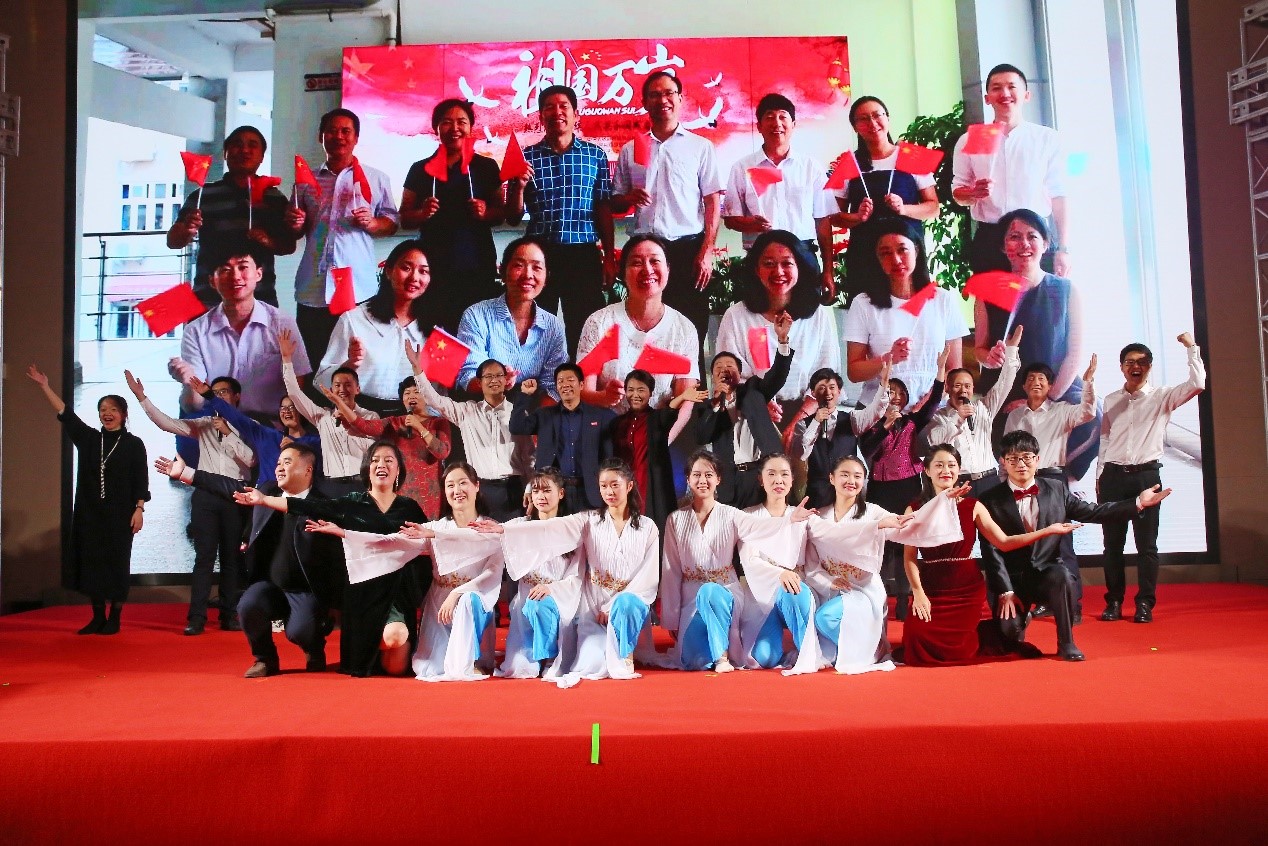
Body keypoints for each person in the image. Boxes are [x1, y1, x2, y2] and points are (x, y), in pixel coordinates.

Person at [234, 440, 429, 677]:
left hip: (396, 594)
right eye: (375, 460)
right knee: (381, 650)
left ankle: (375, 642)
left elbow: (429, 541)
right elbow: (309, 507)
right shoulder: (353, 502)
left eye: (389, 461)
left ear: (398, 470)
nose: (382, 465)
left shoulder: (410, 508)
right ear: (367, 468)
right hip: (362, 594)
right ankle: (364, 641)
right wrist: (264, 500)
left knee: (396, 668)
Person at [154, 444, 346, 677]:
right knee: (248, 606)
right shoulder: (267, 490)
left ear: (308, 470)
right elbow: (228, 487)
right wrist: (186, 474)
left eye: (287, 463)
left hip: (307, 590)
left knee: (300, 631)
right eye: (278, 463)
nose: (279, 468)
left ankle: (313, 648)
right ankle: (265, 659)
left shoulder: (323, 504)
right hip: (271, 585)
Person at [980, 431, 1171, 659]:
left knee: (1062, 575)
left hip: (1046, 572)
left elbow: (1094, 512)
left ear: (1037, 459)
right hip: (1011, 578)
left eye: (1027, 457)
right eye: (1013, 459)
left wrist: (1137, 503)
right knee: (1008, 634)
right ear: (1003, 462)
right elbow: (991, 550)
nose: (1021, 464)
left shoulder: (1056, 489)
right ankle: (1020, 620)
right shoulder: (989, 499)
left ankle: (1066, 643)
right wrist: (1006, 590)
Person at [478, 459, 659, 687]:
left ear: (629, 486)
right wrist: (505, 529)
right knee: (591, 665)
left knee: (626, 604)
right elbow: (551, 527)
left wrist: (613, 605)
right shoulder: (589, 520)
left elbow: (648, 576)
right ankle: (551, 655)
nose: (609, 491)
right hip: (593, 608)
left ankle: (625, 653)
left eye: (615, 485)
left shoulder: (648, 527)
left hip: (627, 604)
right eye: (604, 486)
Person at [657, 449, 835, 673]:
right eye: (697, 475)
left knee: (716, 593)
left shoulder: (732, 514)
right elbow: (671, 569)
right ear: (688, 479)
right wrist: (671, 617)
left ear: (718, 479)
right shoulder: (675, 519)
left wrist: (789, 520)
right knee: (695, 661)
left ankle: (727, 657)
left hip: (724, 589)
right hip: (691, 594)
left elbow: (759, 529)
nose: (703, 480)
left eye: (709, 475)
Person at [900, 443, 1077, 665]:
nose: (946, 470)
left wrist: (1047, 530)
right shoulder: (914, 509)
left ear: (959, 469)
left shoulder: (973, 506)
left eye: (952, 465)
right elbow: (909, 557)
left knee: (965, 648)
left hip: (966, 589)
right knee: (917, 639)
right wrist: (918, 592)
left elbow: (1004, 542)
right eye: (939, 465)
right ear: (927, 470)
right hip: (931, 587)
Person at [805, 456, 961, 674]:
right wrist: (828, 581)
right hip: (829, 589)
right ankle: (857, 648)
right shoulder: (818, 517)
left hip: (862, 590)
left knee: (825, 618)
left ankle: (864, 649)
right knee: (821, 641)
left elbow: (907, 524)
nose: (851, 481)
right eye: (844, 475)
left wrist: (940, 502)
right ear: (831, 478)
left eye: (857, 476)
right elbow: (812, 562)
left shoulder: (873, 512)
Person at [126, 370, 254, 634]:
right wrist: (142, 398)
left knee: (231, 559)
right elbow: (167, 423)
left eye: (223, 392)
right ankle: (196, 618)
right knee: (203, 558)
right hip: (206, 495)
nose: (218, 396)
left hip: (235, 495)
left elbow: (251, 461)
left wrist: (229, 433)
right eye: (214, 393)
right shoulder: (204, 424)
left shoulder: (250, 425)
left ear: (237, 396)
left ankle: (229, 615)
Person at [976, 209, 1099, 478]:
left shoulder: (1066, 290)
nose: (1024, 244)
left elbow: (1074, 354)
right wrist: (990, 358)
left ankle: (1064, 481)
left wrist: (1046, 399)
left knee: (1094, 415)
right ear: (1003, 246)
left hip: (1058, 385)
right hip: (1006, 388)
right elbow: (980, 350)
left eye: (1032, 236)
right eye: (1014, 237)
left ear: (1045, 244)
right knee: (1003, 431)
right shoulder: (987, 293)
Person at [28, 365, 149, 635]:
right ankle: (97, 617)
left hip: (121, 515)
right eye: (103, 409)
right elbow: (66, 414)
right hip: (90, 514)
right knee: (92, 564)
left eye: (113, 409)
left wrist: (139, 509)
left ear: (124, 414)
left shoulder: (134, 444)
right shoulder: (90, 439)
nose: (107, 413)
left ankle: (114, 617)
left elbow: (141, 481)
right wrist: (45, 386)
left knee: (117, 564)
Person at [1097, 332, 1206, 623]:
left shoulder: (1162, 397)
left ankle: (1144, 603)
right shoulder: (1111, 400)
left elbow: (1197, 383)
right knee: (1112, 545)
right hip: (1113, 476)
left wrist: (1191, 347)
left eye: (1142, 362)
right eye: (1130, 362)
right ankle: (1114, 602)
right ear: (1122, 367)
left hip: (1146, 477)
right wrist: (1100, 476)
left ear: (1149, 366)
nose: (1136, 366)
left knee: (1146, 546)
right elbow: (1105, 439)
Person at [612, 70, 724, 343]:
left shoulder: (700, 147)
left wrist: (707, 251)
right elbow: (616, 201)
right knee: (645, 330)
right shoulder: (630, 149)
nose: (662, 100)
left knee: (691, 330)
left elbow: (712, 201)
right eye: (654, 95)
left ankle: (692, 374)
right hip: (646, 252)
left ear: (680, 98)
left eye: (669, 93)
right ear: (645, 102)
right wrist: (629, 198)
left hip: (688, 250)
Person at [505, 85, 616, 355]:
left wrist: (609, 257)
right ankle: (536, 380)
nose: (557, 112)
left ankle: (584, 381)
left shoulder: (595, 156)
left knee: (586, 328)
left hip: (583, 255)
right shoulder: (526, 158)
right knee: (537, 328)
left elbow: (603, 208)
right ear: (541, 115)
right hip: (540, 257)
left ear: (576, 113)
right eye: (549, 107)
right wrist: (519, 187)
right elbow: (513, 217)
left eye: (564, 106)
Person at [286, 107, 400, 361]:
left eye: (345, 131)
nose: (338, 136)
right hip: (314, 286)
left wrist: (372, 223)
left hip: (357, 287)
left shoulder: (376, 178)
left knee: (356, 360)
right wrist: (295, 223)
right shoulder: (305, 181)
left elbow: (391, 223)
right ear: (321, 136)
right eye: (332, 131)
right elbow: (295, 231)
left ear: (356, 138)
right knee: (314, 358)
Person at [576, 235, 701, 440]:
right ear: (623, 272)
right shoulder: (599, 322)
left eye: (655, 261)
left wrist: (660, 443)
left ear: (668, 269)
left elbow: (685, 401)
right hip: (605, 433)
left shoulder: (684, 329)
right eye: (636, 263)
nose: (647, 269)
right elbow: (583, 392)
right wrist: (604, 398)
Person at [400, 98, 506, 335]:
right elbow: (404, 218)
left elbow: (502, 214)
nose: (454, 128)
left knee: (477, 331)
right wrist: (421, 213)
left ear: (471, 127)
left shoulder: (486, 167)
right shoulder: (420, 169)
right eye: (447, 122)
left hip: (477, 263)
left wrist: (486, 213)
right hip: (433, 265)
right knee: (437, 333)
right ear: (436, 128)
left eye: (462, 122)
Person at [952, 64, 1070, 275]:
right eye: (996, 88)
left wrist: (1064, 248)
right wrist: (973, 193)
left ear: (1026, 95)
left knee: (1038, 296)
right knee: (990, 297)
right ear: (987, 98)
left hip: (1035, 236)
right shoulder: (970, 139)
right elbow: (958, 193)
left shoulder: (1047, 139)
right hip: (990, 239)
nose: (1005, 93)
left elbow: (1059, 195)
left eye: (1011, 87)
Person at [169, 241, 310, 418]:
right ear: (212, 280)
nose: (235, 277)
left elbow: (297, 391)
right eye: (225, 270)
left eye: (243, 267)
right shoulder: (195, 331)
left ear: (258, 274)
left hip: (271, 425)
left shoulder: (282, 324)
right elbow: (194, 406)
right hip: (220, 423)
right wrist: (189, 381)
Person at [1004, 357, 1097, 617]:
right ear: (1024, 386)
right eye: (1031, 379)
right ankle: (1044, 599)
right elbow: (1008, 452)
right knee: (1034, 544)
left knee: (1062, 544)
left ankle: (1072, 604)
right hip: (1023, 482)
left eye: (1042, 379)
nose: (1036, 382)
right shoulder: (1015, 416)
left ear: (1050, 385)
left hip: (1053, 480)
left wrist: (1088, 382)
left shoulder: (1062, 410)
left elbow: (1088, 412)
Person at [714, 230, 842, 412]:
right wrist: (758, 404)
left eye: (787, 263)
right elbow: (729, 379)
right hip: (750, 411)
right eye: (769, 264)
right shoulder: (735, 316)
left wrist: (798, 420)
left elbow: (827, 377)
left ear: (799, 267)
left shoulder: (818, 316)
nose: (778, 271)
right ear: (756, 269)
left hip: (808, 412)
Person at [167, 125, 296, 307]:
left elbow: (288, 246)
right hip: (209, 299)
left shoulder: (274, 197)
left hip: (260, 300)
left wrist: (267, 241)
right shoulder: (203, 195)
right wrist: (187, 229)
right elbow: (173, 242)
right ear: (226, 153)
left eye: (252, 145)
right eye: (237, 145)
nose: (244, 150)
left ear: (261, 156)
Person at [859, 353, 948, 614]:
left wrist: (940, 369)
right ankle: (878, 597)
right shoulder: (871, 424)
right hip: (880, 489)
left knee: (906, 543)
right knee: (883, 543)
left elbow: (934, 401)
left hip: (908, 486)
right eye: (891, 392)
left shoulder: (912, 421)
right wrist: (885, 426)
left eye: (900, 393)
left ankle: (903, 597)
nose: (896, 397)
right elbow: (867, 450)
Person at [843, 219, 965, 409]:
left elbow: (954, 369)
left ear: (916, 250)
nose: (896, 259)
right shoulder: (863, 303)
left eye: (902, 250)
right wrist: (888, 359)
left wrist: (930, 401)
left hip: (933, 410)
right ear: (877, 259)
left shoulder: (943, 299)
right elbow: (854, 372)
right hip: (879, 410)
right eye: (886, 253)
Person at [722, 93, 836, 294]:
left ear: (793, 124)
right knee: (759, 312)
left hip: (802, 254)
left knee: (805, 312)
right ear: (759, 126)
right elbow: (731, 220)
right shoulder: (741, 167)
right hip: (760, 257)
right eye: (769, 117)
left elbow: (823, 221)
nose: (777, 123)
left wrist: (828, 269)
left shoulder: (811, 168)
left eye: (783, 117)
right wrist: (752, 224)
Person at [829, 95, 940, 299]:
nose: (872, 123)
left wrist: (904, 209)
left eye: (877, 115)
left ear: (887, 118)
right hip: (865, 255)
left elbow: (933, 207)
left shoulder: (911, 156)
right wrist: (857, 217)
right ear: (855, 127)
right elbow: (834, 216)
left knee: (911, 307)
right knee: (866, 309)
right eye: (863, 119)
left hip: (907, 254)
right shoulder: (849, 163)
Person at [407, 347, 533, 521]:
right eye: (488, 376)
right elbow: (435, 401)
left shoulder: (517, 414)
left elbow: (529, 456)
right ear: (479, 382)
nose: (494, 380)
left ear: (506, 380)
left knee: (512, 536)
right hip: (479, 489)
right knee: (479, 536)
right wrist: (417, 369)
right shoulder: (467, 412)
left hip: (513, 489)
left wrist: (531, 486)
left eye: (499, 375)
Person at [314, 239, 432, 413]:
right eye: (406, 268)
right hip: (359, 416)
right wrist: (350, 364)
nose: (414, 277)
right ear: (388, 271)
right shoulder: (354, 319)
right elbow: (320, 383)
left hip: (413, 420)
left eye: (423, 271)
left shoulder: (435, 329)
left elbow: (438, 394)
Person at [490, 469, 583, 679]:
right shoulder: (519, 526)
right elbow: (486, 535)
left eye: (547, 490)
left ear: (561, 493)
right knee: (520, 667)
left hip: (558, 599)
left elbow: (576, 576)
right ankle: (537, 653)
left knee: (539, 605)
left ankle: (550, 655)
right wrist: (434, 533)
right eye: (536, 491)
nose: (541, 496)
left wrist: (551, 589)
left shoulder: (572, 529)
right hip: (526, 599)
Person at [695, 313, 793, 507]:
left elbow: (777, 377)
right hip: (730, 483)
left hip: (762, 476)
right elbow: (702, 437)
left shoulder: (753, 391)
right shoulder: (708, 407)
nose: (724, 369)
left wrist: (782, 340)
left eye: (730, 366)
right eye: (718, 367)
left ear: (739, 374)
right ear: (713, 377)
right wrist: (716, 403)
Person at [454, 236, 568, 399]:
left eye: (537, 267)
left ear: (546, 277)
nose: (528, 275)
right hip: (481, 407)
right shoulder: (476, 315)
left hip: (532, 410)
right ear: (502, 271)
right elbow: (468, 377)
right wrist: (494, 381)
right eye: (518, 266)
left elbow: (552, 387)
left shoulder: (553, 326)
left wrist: (538, 415)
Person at [322, 376, 451, 519]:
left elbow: (442, 452)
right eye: (407, 393)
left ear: (427, 396)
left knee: (427, 530)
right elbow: (364, 426)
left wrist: (420, 427)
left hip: (430, 494)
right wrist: (340, 404)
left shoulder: (439, 423)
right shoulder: (394, 423)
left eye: (416, 392)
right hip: (400, 492)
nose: (411, 396)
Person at [922, 325, 1023, 497]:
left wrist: (1012, 350)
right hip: (961, 484)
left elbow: (1004, 384)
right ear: (948, 388)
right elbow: (936, 442)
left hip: (990, 479)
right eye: (957, 385)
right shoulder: (939, 417)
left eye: (967, 386)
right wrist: (958, 418)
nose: (963, 390)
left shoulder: (983, 407)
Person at [280, 329, 377, 494]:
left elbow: (372, 449)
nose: (342, 389)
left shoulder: (370, 416)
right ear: (331, 390)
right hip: (332, 487)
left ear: (357, 389)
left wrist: (349, 423)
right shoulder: (322, 417)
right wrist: (287, 359)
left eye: (348, 385)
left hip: (362, 485)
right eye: (337, 385)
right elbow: (294, 393)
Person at [511, 363, 616, 513]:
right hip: (554, 492)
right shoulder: (544, 415)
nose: (565, 384)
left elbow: (610, 456)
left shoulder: (600, 416)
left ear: (581, 385)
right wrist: (524, 395)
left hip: (590, 492)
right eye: (560, 381)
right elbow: (517, 426)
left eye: (570, 380)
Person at [611, 370, 707, 528]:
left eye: (641, 390)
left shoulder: (656, 418)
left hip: (652, 486)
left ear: (650, 393)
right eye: (631, 390)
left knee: (655, 529)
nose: (635, 395)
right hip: (626, 487)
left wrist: (682, 397)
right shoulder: (617, 423)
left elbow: (669, 411)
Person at [788, 362, 891, 509]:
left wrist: (884, 383)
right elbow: (801, 453)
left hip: (847, 492)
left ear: (839, 391)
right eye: (821, 388)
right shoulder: (803, 424)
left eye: (832, 387)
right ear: (813, 393)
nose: (828, 392)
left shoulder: (852, 419)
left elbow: (875, 411)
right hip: (817, 495)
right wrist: (816, 422)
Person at [194, 386, 321, 487]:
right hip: (266, 497)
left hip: (298, 499)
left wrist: (296, 447)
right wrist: (210, 396)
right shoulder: (268, 435)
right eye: (282, 408)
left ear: (302, 410)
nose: (286, 411)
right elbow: (238, 418)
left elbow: (318, 469)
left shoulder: (316, 442)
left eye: (292, 407)